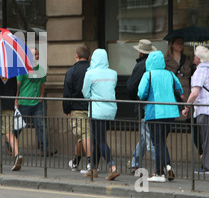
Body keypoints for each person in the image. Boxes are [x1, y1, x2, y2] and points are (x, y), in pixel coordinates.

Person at [138, 50, 183, 182]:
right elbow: (179, 89)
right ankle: (168, 166)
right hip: (170, 113)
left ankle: (159, 173)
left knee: (157, 142)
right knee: (161, 141)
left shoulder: (148, 75)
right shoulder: (170, 74)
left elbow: (141, 93)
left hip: (154, 113)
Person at [82, 49, 120, 180]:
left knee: (100, 140)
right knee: (96, 140)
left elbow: (85, 93)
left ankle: (112, 166)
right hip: (110, 110)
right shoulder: (113, 73)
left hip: (96, 111)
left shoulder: (90, 74)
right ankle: (93, 169)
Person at [182, 46, 209, 174]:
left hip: (204, 109)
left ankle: (208, 168)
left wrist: (187, 107)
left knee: (206, 140)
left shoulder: (200, 71)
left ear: (197, 58)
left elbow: (195, 93)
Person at [15, 48, 55, 157]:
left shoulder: (40, 69)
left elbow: (42, 83)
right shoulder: (22, 69)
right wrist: (16, 99)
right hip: (24, 102)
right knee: (18, 126)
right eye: (34, 54)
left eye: (37, 54)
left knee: (41, 125)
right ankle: (10, 145)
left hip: (37, 103)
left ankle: (44, 148)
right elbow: (17, 85)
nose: (37, 56)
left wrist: (41, 96)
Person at [127, 40, 156, 172]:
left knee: (148, 138)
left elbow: (131, 86)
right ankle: (134, 161)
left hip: (143, 105)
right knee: (145, 136)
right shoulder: (153, 65)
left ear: (140, 52)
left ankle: (161, 166)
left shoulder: (141, 66)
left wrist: (136, 98)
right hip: (153, 105)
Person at [62, 45, 91, 173]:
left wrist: (67, 109)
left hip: (77, 108)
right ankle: (75, 162)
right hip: (93, 107)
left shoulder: (71, 72)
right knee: (82, 135)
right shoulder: (92, 70)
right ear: (89, 56)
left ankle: (91, 163)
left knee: (84, 135)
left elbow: (67, 93)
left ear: (76, 56)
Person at [164, 37, 193, 102]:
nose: (180, 45)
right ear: (172, 45)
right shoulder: (166, 60)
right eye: (178, 43)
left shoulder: (187, 60)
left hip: (186, 93)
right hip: (172, 93)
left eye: (182, 43)